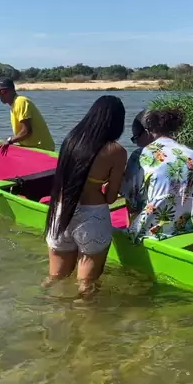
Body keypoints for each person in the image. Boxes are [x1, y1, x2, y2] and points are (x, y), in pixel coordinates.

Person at [44, 95, 127, 294]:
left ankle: (42, 307)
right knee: (86, 285)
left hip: (61, 212)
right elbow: (110, 198)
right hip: (92, 216)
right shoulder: (116, 151)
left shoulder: (70, 141)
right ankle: (84, 315)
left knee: (54, 278)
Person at [121, 107, 193, 242]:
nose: (137, 144)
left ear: (146, 133)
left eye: (135, 138)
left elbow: (132, 203)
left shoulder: (139, 156)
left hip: (156, 233)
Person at [0, 77, 55, 153]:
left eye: (3, 91)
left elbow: (26, 132)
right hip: (32, 148)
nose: (0, 95)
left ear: (13, 90)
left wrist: (9, 140)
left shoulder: (21, 101)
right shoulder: (14, 105)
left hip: (43, 149)